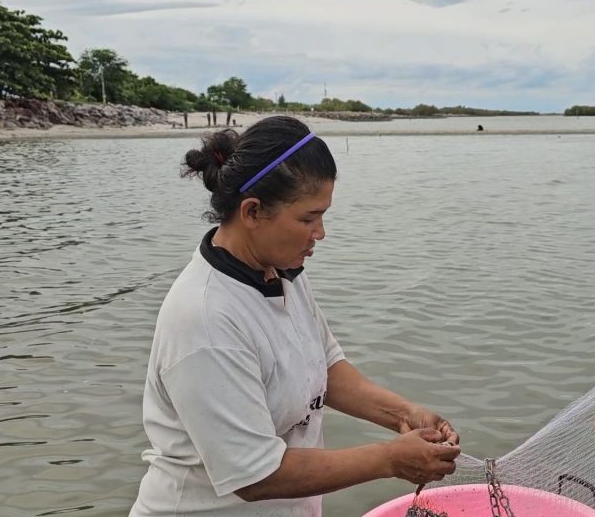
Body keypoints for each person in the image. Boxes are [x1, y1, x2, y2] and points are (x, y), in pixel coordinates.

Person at [130, 116, 460, 516]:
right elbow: (257, 475)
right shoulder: (204, 319)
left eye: (323, 216)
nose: (320, 233)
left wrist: (403, 414)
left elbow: (325, 368)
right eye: (307, 218)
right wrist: (390, 459)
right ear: (252, 212)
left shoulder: (282, 272)